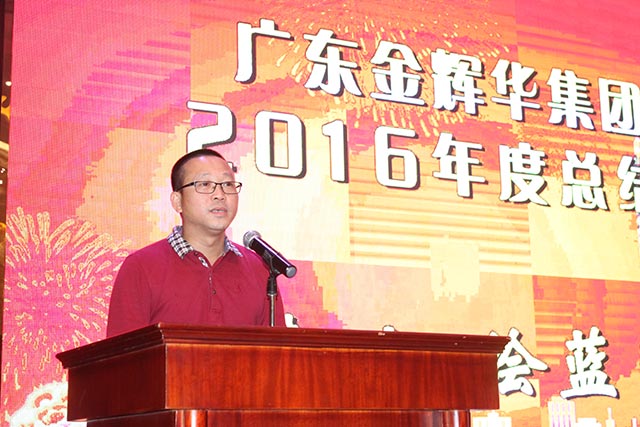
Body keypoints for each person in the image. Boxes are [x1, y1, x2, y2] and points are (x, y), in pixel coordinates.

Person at [106, 149, 285, 337]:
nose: (219, 195)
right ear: (177, 201)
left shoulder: (260, 269)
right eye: (205, 184)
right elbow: (123, 352)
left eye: (227, 184)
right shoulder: (141, 267)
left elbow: (279, 351)